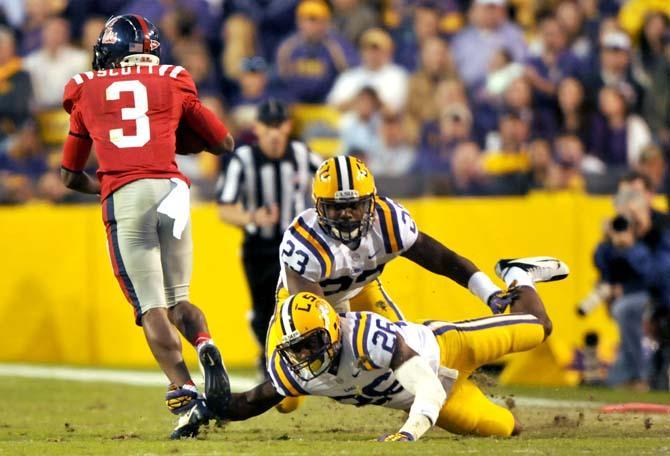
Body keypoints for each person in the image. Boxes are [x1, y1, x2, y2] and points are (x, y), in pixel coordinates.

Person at [58, 15, 235, 439]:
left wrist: (108, 185)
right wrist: (177, 138)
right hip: (173, 189)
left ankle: (186, 393)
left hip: (127, 193)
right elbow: (223, 143)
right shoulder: (174, 78)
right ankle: (206, 342)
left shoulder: (84, 87)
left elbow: (68, 174)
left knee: (151, 308)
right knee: (180, 301)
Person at [218, 256, 569, 441]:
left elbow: (428, 386)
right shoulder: (297, 372)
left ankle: (518, 273)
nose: (306, 355)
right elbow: (249, 402)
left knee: (541, 328)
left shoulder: (363, 336)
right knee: (508, 429)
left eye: (312, 343)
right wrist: (204, 408)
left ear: (332, 332)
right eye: (298, 348)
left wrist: (409, 433)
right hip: (436, 399)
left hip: (449, 349)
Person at [273, 155, 521, 411]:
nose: (346, 215)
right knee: (287, 396)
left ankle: (429, 403)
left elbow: (443, 260)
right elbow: (316, 319)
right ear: (319, 207)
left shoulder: (389, 222)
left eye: (355, 205)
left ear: (372, 202)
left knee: (405, 354)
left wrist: (488, 292)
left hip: (362, 289)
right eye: (336, 207)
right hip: (304, 308)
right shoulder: (305, 244)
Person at [217, 98, 322, 377]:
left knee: (304, 302)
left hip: (297, 246)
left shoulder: (302, 154)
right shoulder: (243, 159)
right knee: (264, 310)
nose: (274, 133)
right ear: (257, 128)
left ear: (287, 126)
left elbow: (327, 179)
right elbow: (225, 209)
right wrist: (252, 218)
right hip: (259, 247)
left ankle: (312, 358)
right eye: (269, 126)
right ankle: (269, 363)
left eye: (279, 125)